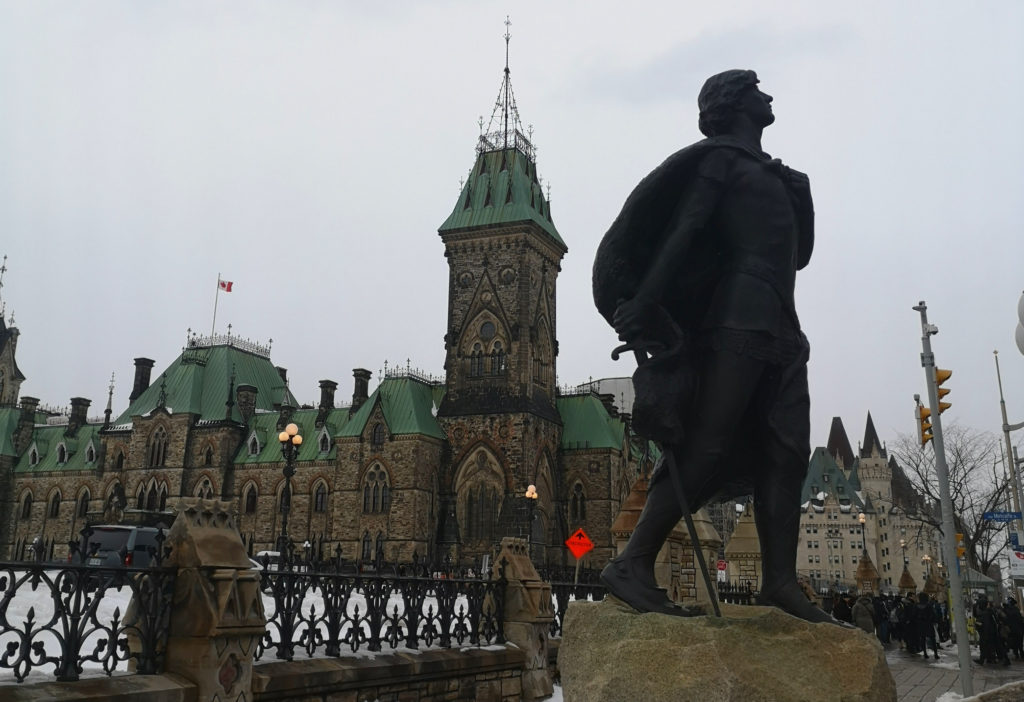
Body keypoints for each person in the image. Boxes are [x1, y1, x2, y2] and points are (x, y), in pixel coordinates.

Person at [593, 70, 828, 625]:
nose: (769, 96)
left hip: (783, 324)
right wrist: (647, 300)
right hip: (737, 319)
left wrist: (805, 200)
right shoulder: (720, 160)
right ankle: (632, 562)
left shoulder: (775, 175)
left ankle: (780, 582)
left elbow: (799, 257)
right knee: (707, 444)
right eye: (757, 90)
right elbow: (686, 229)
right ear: (734, 104)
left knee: (787, 448)